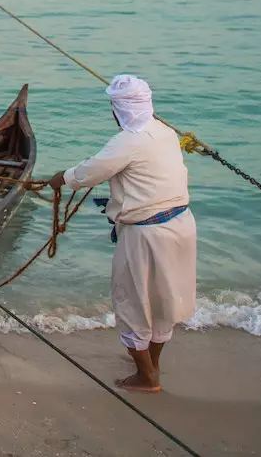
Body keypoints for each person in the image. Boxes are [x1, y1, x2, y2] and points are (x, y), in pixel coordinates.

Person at [39, 74, 196, 393]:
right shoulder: (166, 132)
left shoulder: (127, 142)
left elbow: (90, 172)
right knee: (164, 300)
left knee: (132, 302)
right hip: (181, 225)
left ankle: (147, 377)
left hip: (147, 235)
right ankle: (152, 363)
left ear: (118, 111)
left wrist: (61, 178)